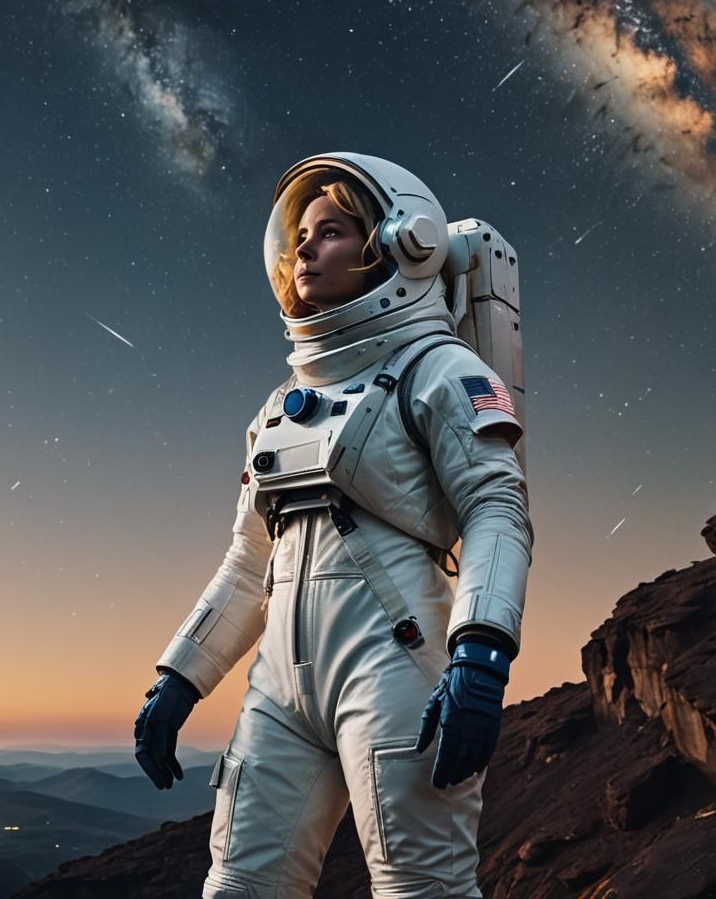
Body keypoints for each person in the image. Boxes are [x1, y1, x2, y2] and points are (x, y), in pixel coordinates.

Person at [134, 153, 533, 898]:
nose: (304, 251)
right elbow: (249, 562)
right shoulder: (278, 409)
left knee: (421, 887)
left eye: (332, 232)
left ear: (401, 242)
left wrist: (480, 655)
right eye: (300, 237)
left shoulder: (441, 370)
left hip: (395, 666)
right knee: (240, 885)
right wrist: (179, 676)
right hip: (279, 687)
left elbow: (497, 510)